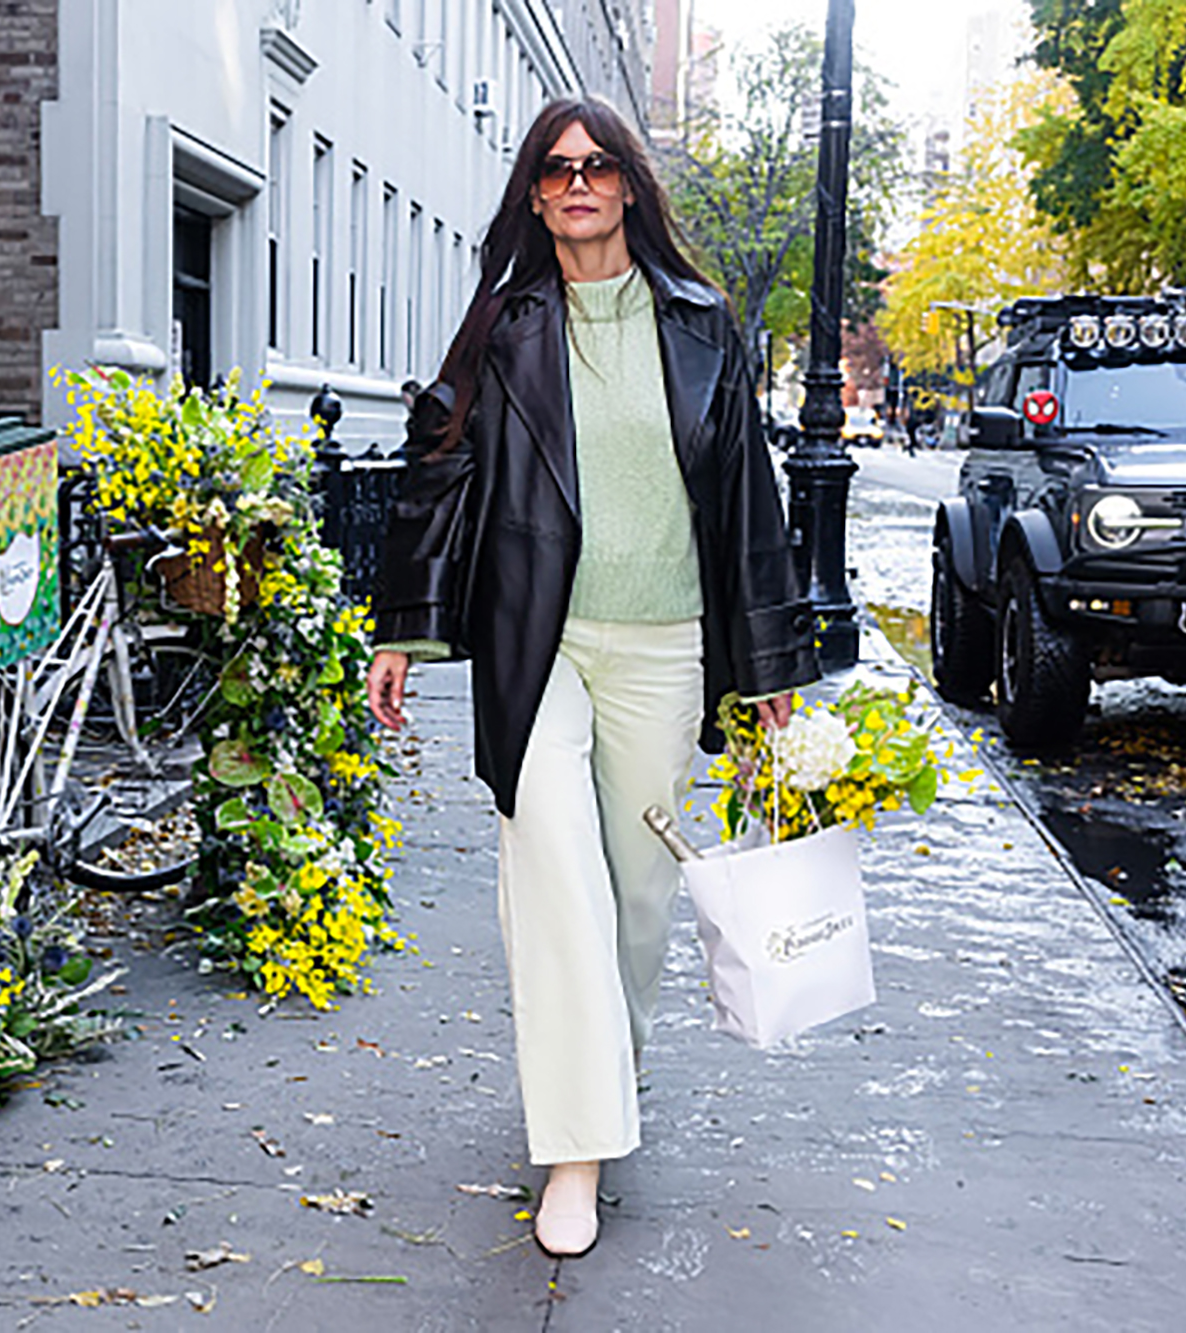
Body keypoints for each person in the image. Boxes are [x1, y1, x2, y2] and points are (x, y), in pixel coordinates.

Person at [366, 97, 818, 1260]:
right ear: (532, 194)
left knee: (635, 902)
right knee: (553, 869)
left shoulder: (704, 325)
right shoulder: (502, 327)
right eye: (554, 169)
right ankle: (575, 1151)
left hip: (664, 649)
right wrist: (400, 634)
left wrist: (765, 664)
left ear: (627, 185)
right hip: (539, 645)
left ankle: (602, 1076)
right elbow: (436, 477)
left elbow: (746, 503)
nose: (575, 184)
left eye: (596, 166)